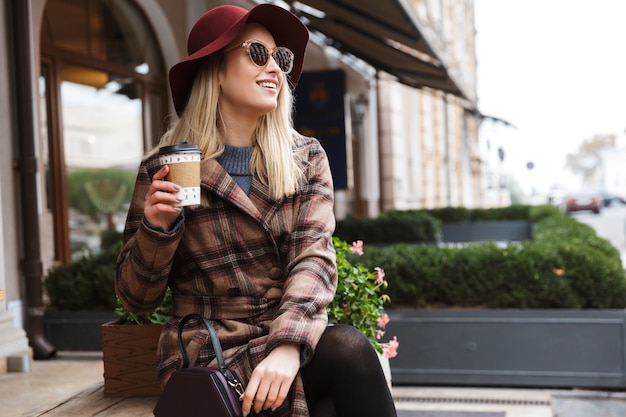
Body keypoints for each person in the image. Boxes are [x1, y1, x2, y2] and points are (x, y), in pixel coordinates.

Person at [116, 4, 397, 417]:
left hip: (285, 334)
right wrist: (157, 229)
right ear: (214, 68)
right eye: (257, 53)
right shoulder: (169, 167)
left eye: (280, 58)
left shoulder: (305, 157)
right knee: (336, 379)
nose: (276, 70)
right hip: (211, 352)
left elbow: (313, 257)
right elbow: (136, 300)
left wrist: (287, 345)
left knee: (346, 357)